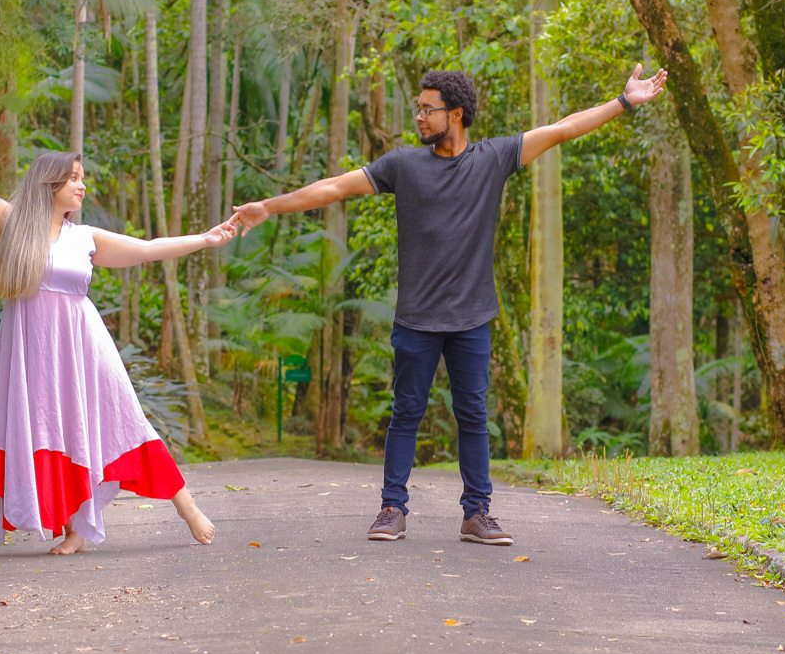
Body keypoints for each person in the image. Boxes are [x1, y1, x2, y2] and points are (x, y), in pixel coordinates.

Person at [229, 65, 668, 545]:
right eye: (418, 108)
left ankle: (477, 514)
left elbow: (563, 128)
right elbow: (334, 187)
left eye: (427, 109)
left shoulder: (495, 158)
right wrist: (269, 206)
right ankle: (392, 509)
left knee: (473, 416)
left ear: (455, 114)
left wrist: (623, 103)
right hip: (416, 318)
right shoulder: (403, 165)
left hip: (472, 319)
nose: (418, 116)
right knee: (406, 413)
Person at [0, 93, 236, 554]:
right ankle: (75, 530)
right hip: (29, 348)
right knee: (49, 429)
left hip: (83, 344)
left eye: (82, 179)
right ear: (51, 183)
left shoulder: (84, 237)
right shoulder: (10, 224)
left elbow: (146, 248)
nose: (82, 187)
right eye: (75, 178)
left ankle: (185, 505)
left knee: (125, 420)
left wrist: (204, 239)